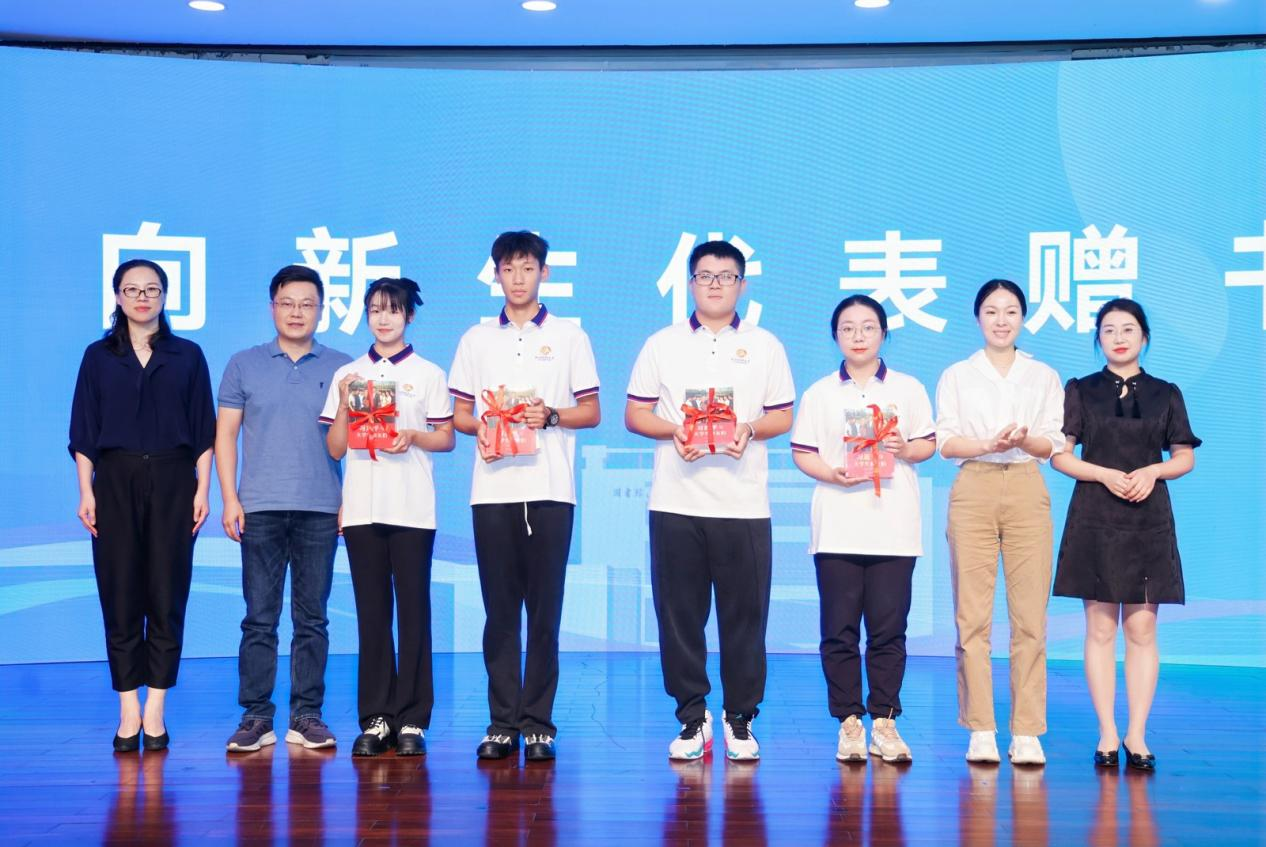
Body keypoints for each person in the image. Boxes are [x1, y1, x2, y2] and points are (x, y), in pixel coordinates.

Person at [625, 240, 795, 762]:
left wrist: (749, 428)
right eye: (705, 275)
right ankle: (692, 716)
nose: (715, 284)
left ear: (742, 285)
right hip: (676, 499)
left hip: (743, 503)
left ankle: (739, 717)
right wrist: (674, 430)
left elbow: (782, 415)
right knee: (679, 616)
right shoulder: (663, 343)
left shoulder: (765, 345)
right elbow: (635, 414)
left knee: (745, 618)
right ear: (690, 284)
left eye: (726, 276)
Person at [449, 231, 600, 762]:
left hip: (551, 490)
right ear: (495, 275)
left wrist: (550, 415)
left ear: (544, 273)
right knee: (499, 611)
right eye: (508, 269)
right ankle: (501, 723)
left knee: (544, 611)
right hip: (492, 490)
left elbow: (592, 411)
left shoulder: (569, 336)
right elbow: (459, 415)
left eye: (527, 268)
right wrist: (486, 425)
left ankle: (538, 723)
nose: (518, 279)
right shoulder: (476, 339)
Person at [69, 258, 215, 752]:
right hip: (114, 479)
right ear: (117, 297)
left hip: (175, 479)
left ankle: (156, 706)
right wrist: (86, 490)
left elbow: (203, 428)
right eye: (132, 290)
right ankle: (127, 706)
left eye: (152, 289)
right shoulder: (98, 356)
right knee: (120, 592)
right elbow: (84, 430)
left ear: (164, 296)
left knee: (167, 593)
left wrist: (203, 489)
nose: (142, 297)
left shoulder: (188, 355)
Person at [1051, 298, 1198, 771]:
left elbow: (1184, 456)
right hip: (1095, 514)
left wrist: (1154, 471)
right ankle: (1107, 733)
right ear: (1098, 338)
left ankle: (1137, 733)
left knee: (1141, 628)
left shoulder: (1165, 393)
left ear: (1144, 337)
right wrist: (1103, 474)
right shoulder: (1081, 390)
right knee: (1099, 629)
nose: (1118, 337)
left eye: (1128, 329)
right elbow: (1060, 455)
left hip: (1148, 517)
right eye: (1109, 329)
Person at [790, 295, 935, 764]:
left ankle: (885, 722)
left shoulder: (908, 389)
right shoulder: (819, 393)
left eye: (868, 327)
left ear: (884, 334)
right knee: (839, 631)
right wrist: (831, 474)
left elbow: (928, 445)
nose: (858, 336)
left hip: (895, 527)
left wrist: (904, 447)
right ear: (835, 336)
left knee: (889, 631)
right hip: (837, 525)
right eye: (848, 328)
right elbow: (803, 452)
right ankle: (849, 722)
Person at [216, 265, 353, 753]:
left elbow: (358, 442)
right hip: (260, 507)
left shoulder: (344, 367)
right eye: (287, 303)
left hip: (321, 507)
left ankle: (307, 715)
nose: (297, 312)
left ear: (321, 310)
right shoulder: (243, 364)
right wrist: (230, 498)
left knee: (312, 618)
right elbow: (225, 435)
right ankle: (256, 716)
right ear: (272, 307)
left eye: (307, 304)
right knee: (259, 618)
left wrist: (351, 501)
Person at [321, 277, 454, 757]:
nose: (383, 318)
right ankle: (376, 718)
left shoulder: (428, 373)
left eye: (393, 310)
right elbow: (335, 448)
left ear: (409, 316)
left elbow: (446, 438)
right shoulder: (349, 373)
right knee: (372, 615)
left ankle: (413, 719)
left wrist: (413, 436)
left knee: (414, 612)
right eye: (375, 309)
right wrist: (344, 402)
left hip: (413, 507)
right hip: (362, 509)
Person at [935, 279, 1064, 766]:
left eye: (1011, 311)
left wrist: (1025, 440)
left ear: (1023, 318)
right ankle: (981, 728)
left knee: (1030, 618)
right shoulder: (957, 374)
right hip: (974, 485)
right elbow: (946, 441)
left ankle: (1027, 730)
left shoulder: (1042, 375)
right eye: (991, 311)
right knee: (972, 617)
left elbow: (1053, 443)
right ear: (978, 318)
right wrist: (988, 443)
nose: (1001, 320)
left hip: (1027, 484)